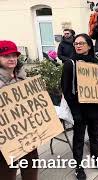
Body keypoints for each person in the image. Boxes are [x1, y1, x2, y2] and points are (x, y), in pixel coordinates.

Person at [61, 34, 98, 180]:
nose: (78, 45)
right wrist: (75, 111)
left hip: (95, 107)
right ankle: (78, 167)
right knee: (79, 138)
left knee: (95, 136)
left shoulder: (97, 62)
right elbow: (66, 89)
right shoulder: (70, 63)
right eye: (76, 43)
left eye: (81, 43)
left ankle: (96, 159)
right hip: (79, 109)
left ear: (89, 45)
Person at [0, 40, 38, 180]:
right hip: (5, 136)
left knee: (31, 167)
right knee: (7, 171)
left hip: (27, 132)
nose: (11, 59)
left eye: (14, 55)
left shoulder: (22, 75)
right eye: (6, 56)